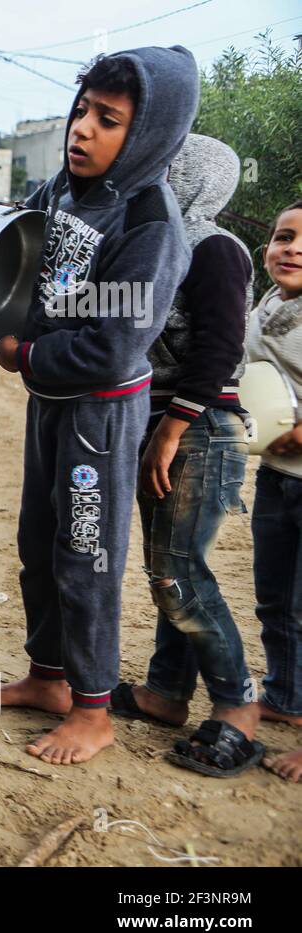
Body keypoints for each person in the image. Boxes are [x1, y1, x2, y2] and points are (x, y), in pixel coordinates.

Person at [0, 47, 200, 764]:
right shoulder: (63, 190)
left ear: (148, 135)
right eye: (82, 111)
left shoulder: (150, 218)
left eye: (108, 120)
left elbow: (113, 346)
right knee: (37, 542)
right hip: (50, 405)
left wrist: (26, 355)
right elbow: (21, 259)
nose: (82, 130)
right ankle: (48, 678)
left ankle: (94, 708)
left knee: (87, 553)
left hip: (99, 417)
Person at [109, 134, 261, 776]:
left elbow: (220, 349)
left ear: (195, 177)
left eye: (169, 167)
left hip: (199, 429)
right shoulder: (162, 243)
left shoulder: (214, 248)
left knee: (179, 572)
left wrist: (170, 430)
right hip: (165, 424)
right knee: (166, 562)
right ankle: (165, 692)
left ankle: (237, 710)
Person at [244, 201, 302, 784]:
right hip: (278, 477)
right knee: (276, 599)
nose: (293, 248)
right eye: (283, 236)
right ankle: (287, 696)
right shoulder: (265, 308)